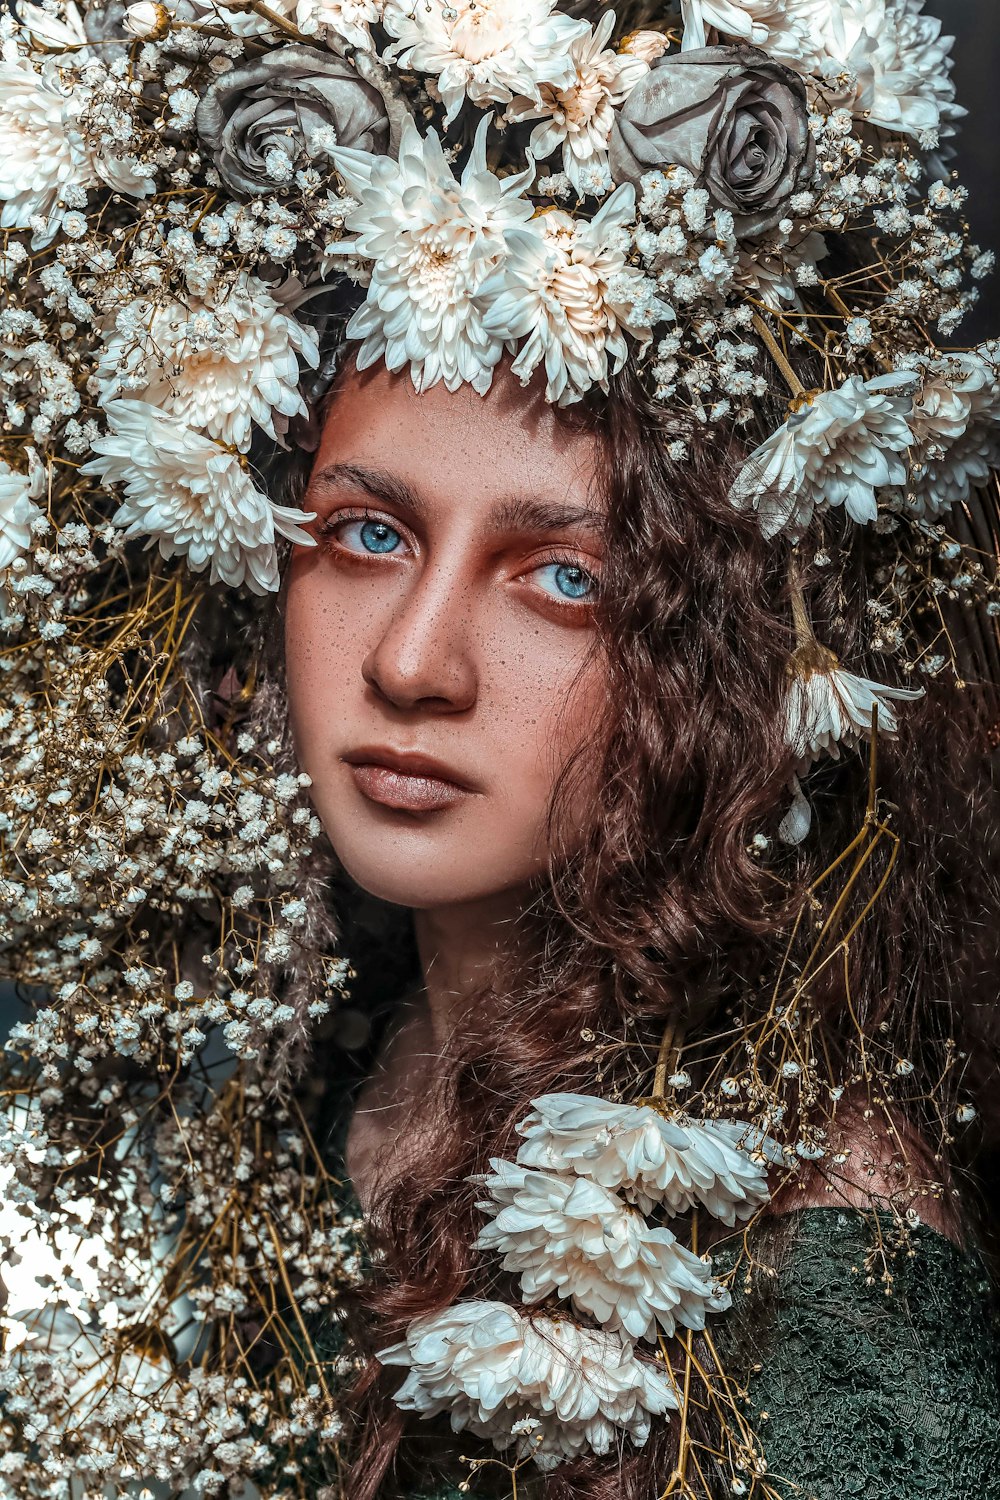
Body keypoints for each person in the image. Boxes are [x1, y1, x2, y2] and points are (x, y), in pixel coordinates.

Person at [3, 0, 1000, 1496]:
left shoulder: (828, 1284)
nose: (409, 662)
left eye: (565, 578)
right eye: (366, 534)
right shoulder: (324, 1057)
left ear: (742, 652)